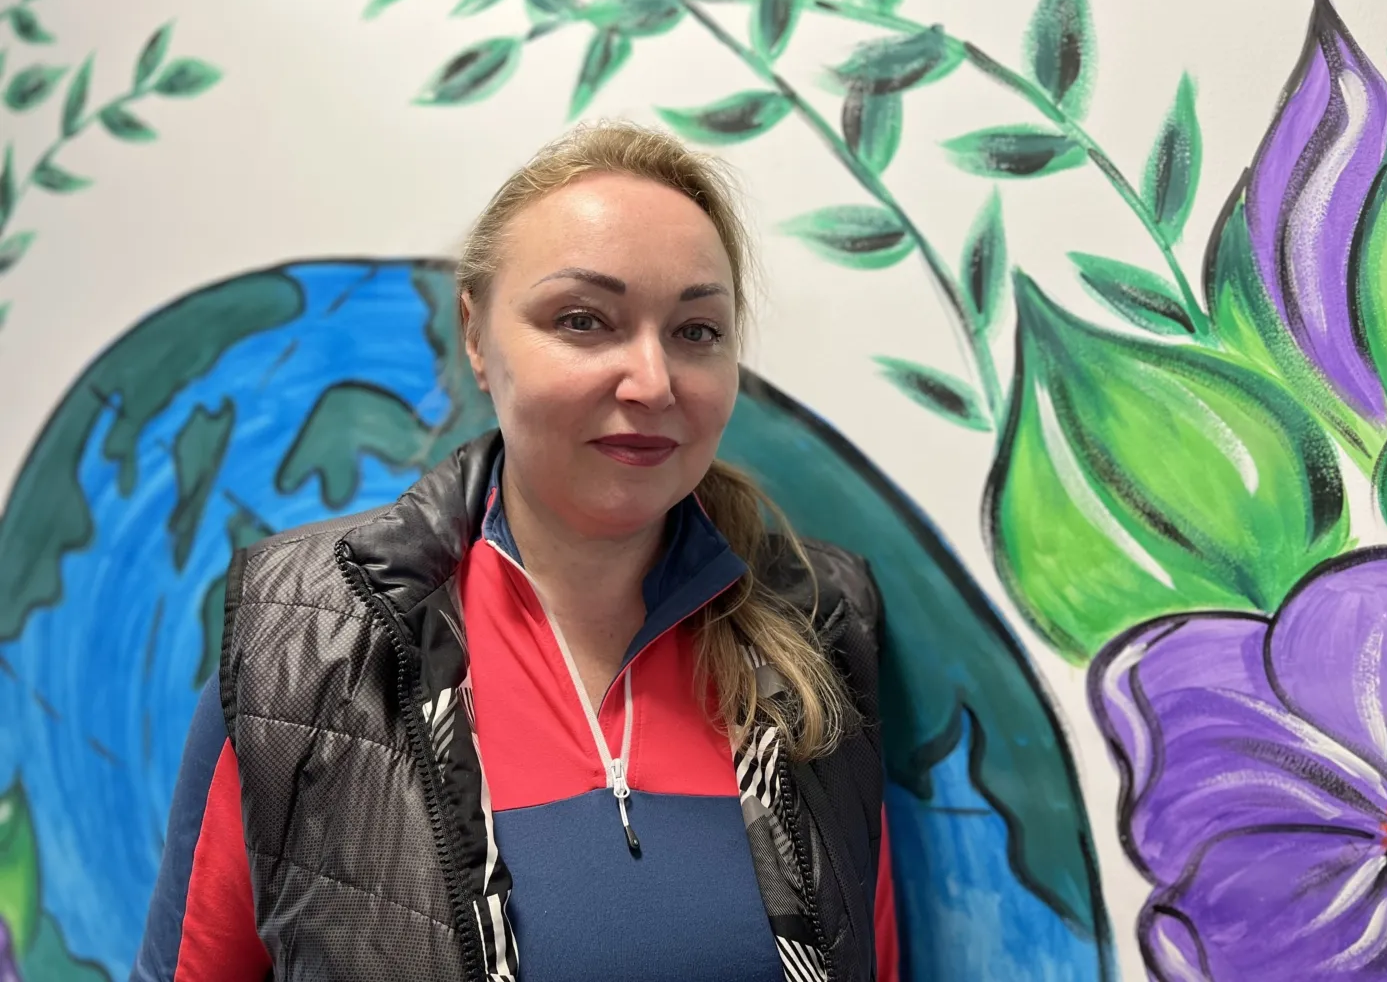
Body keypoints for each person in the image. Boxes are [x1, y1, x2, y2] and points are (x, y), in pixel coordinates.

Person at [132, 122, 899, 981]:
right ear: (476, 334)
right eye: (583, 321)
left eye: (695, 331)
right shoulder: (304, 647)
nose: (651, 381)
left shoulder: (817, 632)